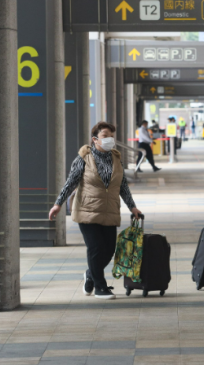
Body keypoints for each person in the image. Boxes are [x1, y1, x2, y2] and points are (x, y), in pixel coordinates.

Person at [49, 122, 142, 300]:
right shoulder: (84, 158)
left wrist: (132, 206)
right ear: (95, 139)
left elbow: (122, 186)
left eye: (111, 136)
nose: (109, 139)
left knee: (109, 249)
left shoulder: (116, 158)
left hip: (109, 211)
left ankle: (91, 274)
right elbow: (71, 183)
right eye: (105, 135)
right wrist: (58, 204)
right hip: (87, 210)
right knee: (96, 248)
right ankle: (100, 287)